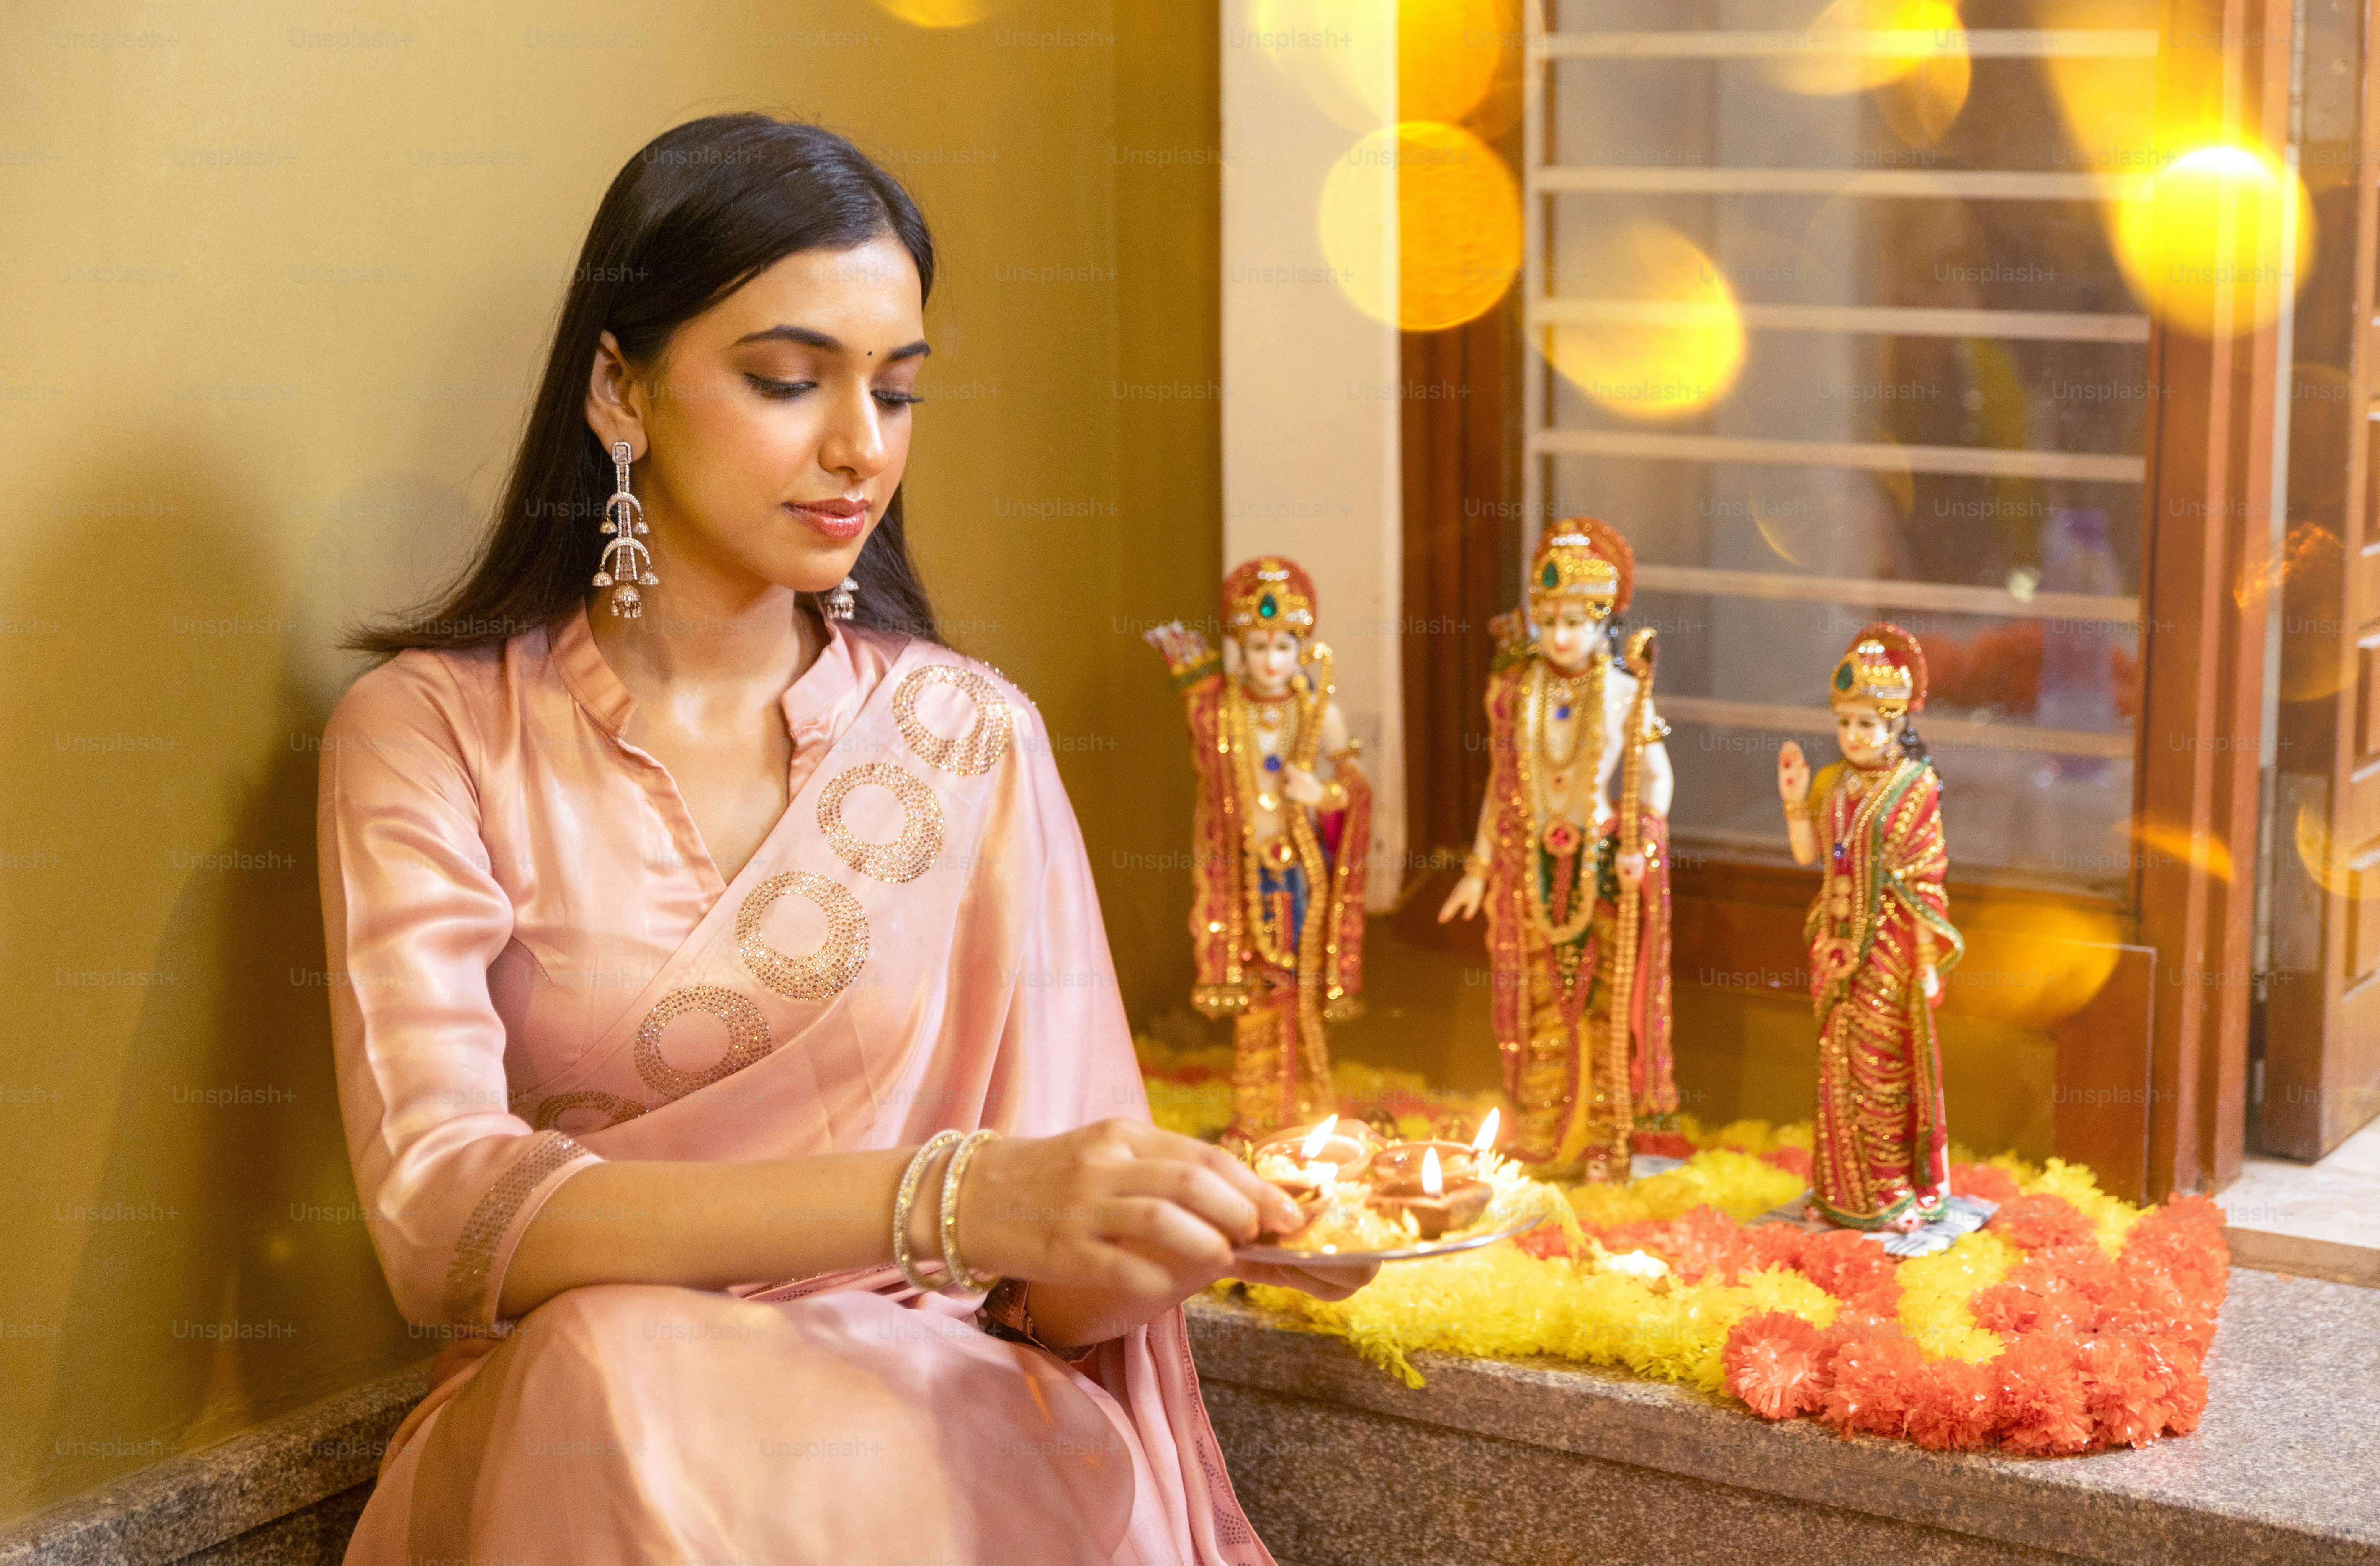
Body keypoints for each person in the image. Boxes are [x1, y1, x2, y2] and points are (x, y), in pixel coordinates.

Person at [318, 113, 1369, 1566]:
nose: (858, 448)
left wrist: (1177, 1232)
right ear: (619, 389)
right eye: (786, 379)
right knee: (610, 1368)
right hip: (582, 1445)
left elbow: (1042, 1302)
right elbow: (440, 1223)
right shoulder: (432, 731)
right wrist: (946, 1195)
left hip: (940, 1427)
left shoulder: (968, 738)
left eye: (897, 389)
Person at [1438, 520, 1678, 1181]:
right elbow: (1504, 786)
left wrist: (1639, 844)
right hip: (1534, 870)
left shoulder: (1627, 693)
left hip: (1600, 864)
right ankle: (1545, 1133)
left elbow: (1656, 779)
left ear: (1604, 620)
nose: (1561, 636)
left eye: (1576, 621)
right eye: (1548, 621)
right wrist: (1477, 869)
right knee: (1543, 1008)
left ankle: (1605, 1140)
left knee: (1604, 1010)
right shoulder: (1517, 694)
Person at [1145, 558, 1370, 1142]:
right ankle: (1254, 1117)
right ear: (1238, 648)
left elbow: (1356, 790)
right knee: (1253, 997)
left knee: (1299, 992)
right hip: (1241, 872)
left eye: (1283, 646)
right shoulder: (1222, 707)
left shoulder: (1319, 710)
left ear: (1301, 648)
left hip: (1303, 874)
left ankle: (1306, 1113)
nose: (1270, 661)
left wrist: (1319, 791)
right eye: (1256, 646)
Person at [1774, 622, 1965, 1232]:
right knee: (1835, 1064)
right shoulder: (1832, 784)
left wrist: (1928, 963)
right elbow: (1809, 854)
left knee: (1879, 1068)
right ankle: (1837, 1191)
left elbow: (1925, 882)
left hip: (1888, 948)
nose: (1852, 736)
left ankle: (1888, 1189)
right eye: (1844, 722)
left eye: (1866, 724)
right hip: (1830, 946)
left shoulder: (1915, 788)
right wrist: (1792, 797)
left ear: (1894, 724)